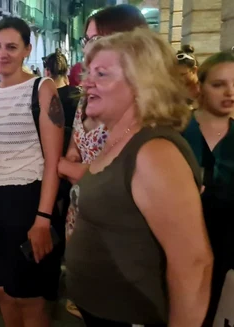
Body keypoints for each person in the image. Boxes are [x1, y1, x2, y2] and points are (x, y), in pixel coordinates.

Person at [65, 28, 212, 326]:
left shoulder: (154, 152)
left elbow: (194, 263)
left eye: (102, 74)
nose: (86, 81)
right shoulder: (118, 139)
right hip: (101, 311)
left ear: (142, 83)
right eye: (88, 72)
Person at [0, 17, 65, 327]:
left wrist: (43, 218)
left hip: (29, 200)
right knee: (1, 290)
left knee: (30, 296)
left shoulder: (42, 88)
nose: (2, 53)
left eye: (11, 46)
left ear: (27, 50)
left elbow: (53, 161)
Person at [56, 5, 148, 317]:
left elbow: (105, 176)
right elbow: (71, 154)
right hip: (79, 213)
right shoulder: (88, 96)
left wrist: (74, 169)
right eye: (87, 39)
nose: (89, 47)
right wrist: (76, 168)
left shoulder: (141, 107)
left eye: (98, 38)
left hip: (118, 230)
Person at [181, 50, 234, 325]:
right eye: (218, 84)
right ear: (200, 85)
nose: (230, 92)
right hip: (181, 236)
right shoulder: (178, 127)